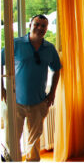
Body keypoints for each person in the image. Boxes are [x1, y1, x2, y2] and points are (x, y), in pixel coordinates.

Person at [1, 14, 61, 161]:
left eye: (43, 26)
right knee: (12, 140)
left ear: (46, 29)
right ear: (30, 25)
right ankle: (10, 160)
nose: (39, 28)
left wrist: (52, 92)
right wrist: (2, 88)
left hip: (39, 103)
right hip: (16, 102)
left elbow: (57, 69)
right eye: (37, 24)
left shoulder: (49, 48)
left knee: (34, 141)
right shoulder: (15, 44)